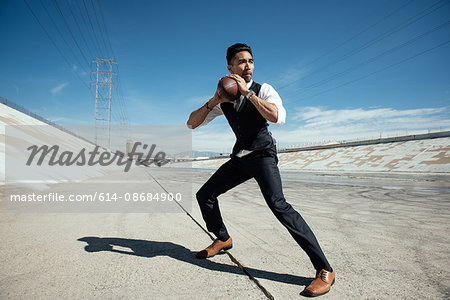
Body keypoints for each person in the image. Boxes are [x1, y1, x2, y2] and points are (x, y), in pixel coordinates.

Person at [186, 43, 335, 297]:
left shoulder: (263, 89)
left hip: (263, 155)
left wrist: (249, 95)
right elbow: (191, 123)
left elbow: (278, 117)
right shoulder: (224, 99)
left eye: (251, 61)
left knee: (279, 205)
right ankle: (222, 238)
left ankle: (324, 268)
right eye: (241, 62)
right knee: (205, 195)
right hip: (241, 157)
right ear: (229, 67)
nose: (248, 66)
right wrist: (214, 100)